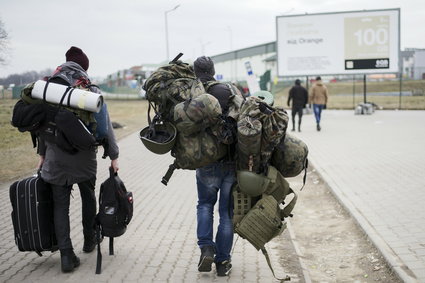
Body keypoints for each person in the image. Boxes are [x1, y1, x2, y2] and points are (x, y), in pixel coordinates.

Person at [37, 46, 119, 273]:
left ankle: (66, 255)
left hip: (55, 158)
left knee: (60, 205)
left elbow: (43, 126)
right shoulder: (90, 90)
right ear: (84, 67)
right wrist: (113, 156)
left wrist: (42, 155)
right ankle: (89, 239)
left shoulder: (51, 89)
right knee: (87, 196)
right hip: (84, 158)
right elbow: (105, 128)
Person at [193, 56, 237, 277]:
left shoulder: (192, 94)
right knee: (226, 213)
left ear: (195, 72)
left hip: (206, 162)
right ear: (213, 70)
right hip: (230, 162)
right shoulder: (227, 91)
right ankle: (222, 262)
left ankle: (206, 247)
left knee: (205, 205)